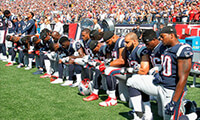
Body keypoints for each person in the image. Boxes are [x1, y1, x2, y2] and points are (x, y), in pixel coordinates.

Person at [126, 26, 193, 120]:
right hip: (160, 84)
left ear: (172, 35)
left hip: (171, 89)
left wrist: (174, 101)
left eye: (162, 36)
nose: (160, 39)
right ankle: (139, 115)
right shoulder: (165, 48)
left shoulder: (182, 49)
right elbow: (164, 66)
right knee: (132, 81)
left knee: (169, 117)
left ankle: (194, 114)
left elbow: (183, 78)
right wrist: (156, 72)